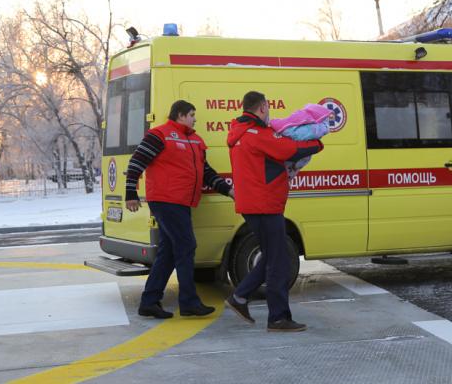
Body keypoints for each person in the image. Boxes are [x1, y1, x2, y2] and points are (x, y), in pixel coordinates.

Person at [224, 91, 324, 332]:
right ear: (262, 108)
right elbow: (289, 150)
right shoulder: (258, 134)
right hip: (265, 204)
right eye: (267, 108)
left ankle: (239, 297)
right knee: (279, 261)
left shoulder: (239, 132)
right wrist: (317, 142)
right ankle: (278, 318)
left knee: (272, 255)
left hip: (252, 204)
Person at [126, 100, 234, 319]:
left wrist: (229, 190)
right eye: (192, 114)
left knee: (168, 251)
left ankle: (149, 302)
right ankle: (189, 302)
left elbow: (206, 172)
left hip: (182, 202)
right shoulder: (160, 135)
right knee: (186, 244)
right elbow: (136, 162)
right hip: (165, 200)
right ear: (180, 115)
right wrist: (130, 193)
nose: (195, 119)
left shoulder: (195, 140)